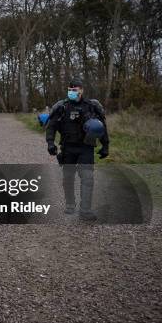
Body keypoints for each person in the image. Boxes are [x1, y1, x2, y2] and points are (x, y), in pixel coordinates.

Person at [46, 78, 109, 221]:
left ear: (81, 90)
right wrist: (50, 143)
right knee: (68, 178)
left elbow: (101, 127)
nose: (72, 92)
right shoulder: (62, 107)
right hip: (67, 148)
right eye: (70, 90)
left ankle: (85, 210)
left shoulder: (92, 106)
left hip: (86, 147)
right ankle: (70, 205)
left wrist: (105, 145)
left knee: (87, 177)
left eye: (75, 90)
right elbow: (51, 126)